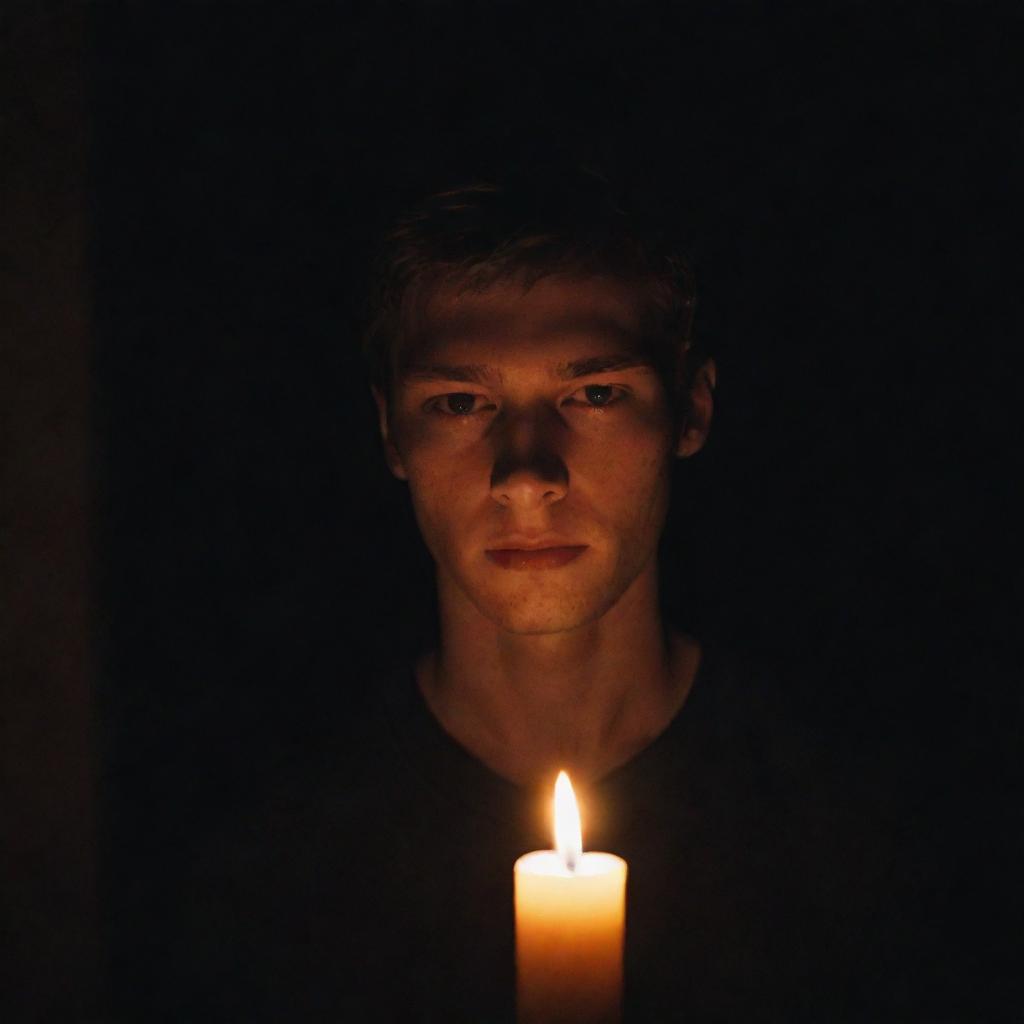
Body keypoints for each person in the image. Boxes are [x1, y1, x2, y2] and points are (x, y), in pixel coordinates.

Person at [124, 167, 948, 1023]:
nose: (525, 475)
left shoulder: (851, 848)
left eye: (593, 394)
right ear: (389, 433)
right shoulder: (272, 877)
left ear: (691, 410)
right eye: (459, 401)